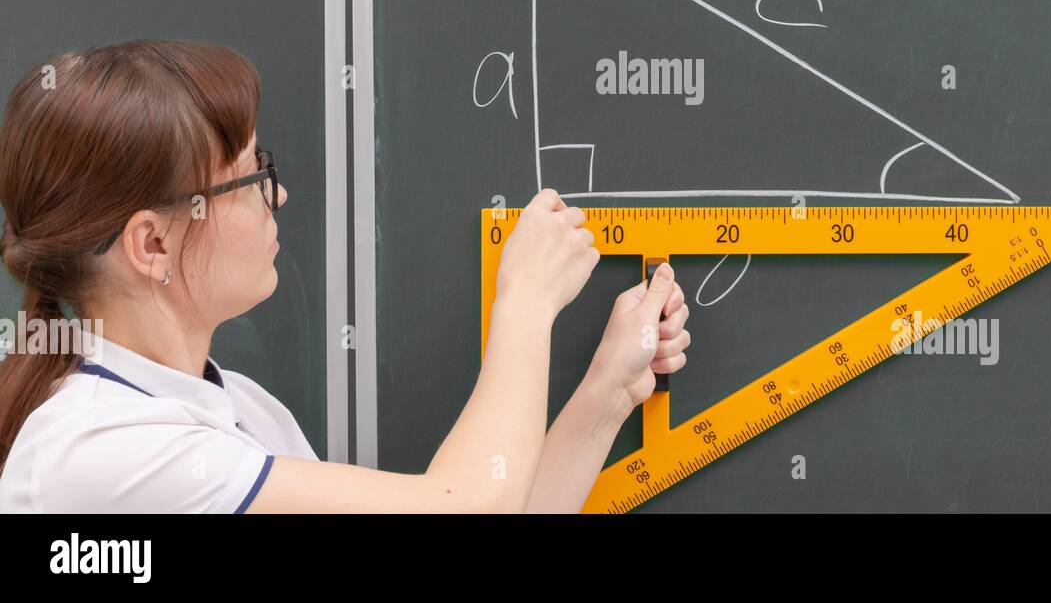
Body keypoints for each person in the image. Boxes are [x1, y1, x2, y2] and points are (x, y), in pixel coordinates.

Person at [0, 39, 689, 512]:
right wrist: (527, 302)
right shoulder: (96, 451)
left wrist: (608, 391)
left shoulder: (245, 414)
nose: (278, 196)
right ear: (152, 244)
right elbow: (464, 506)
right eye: (248, 179)